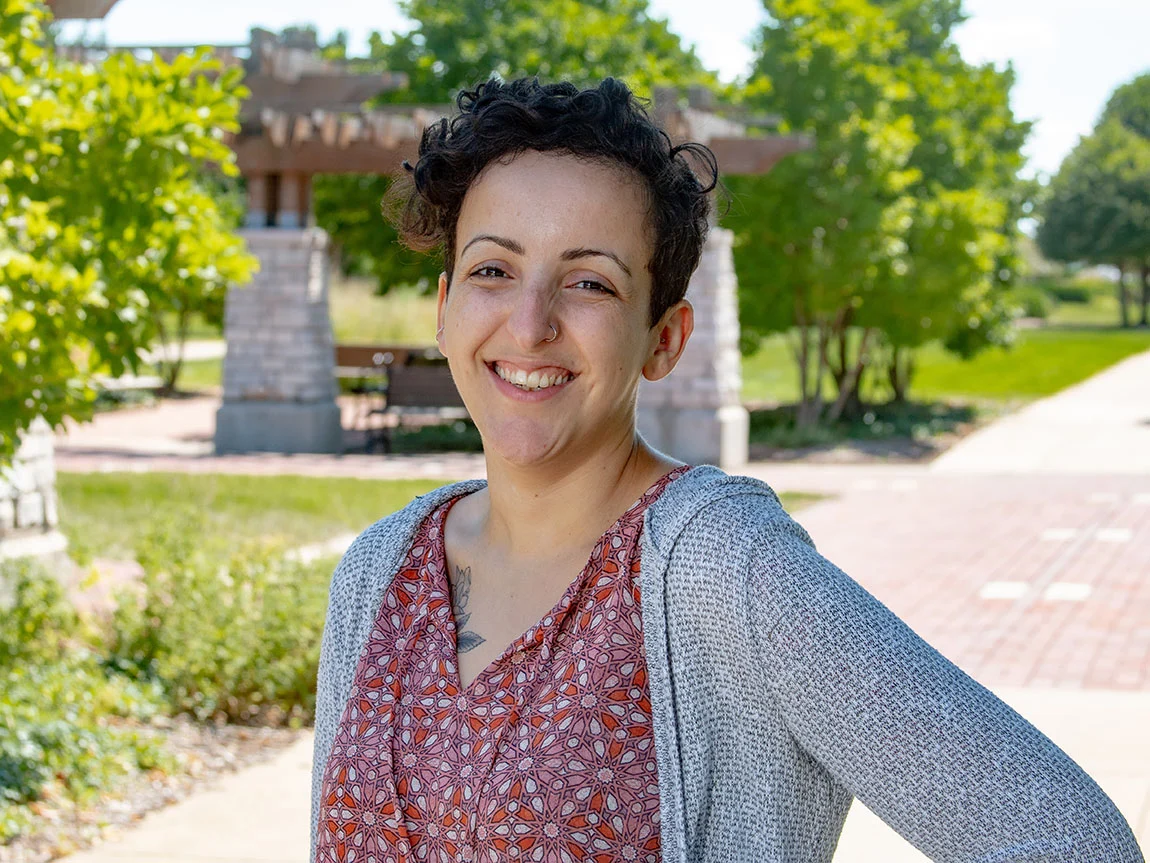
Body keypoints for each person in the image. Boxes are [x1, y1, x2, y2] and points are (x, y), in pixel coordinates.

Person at [310, 78, 1143, 863]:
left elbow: (1068, 838)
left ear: (664, 338)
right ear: (446, 304)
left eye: (590, 282)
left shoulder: (725, 571)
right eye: (494, 269)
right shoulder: (379, 571)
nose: (530, 324)